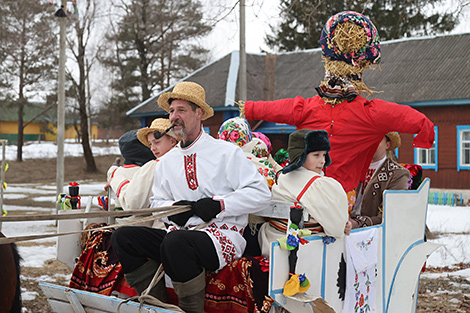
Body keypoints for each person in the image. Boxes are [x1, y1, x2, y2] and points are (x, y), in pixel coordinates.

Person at [111, 81, 271, 313]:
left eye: (181, 110)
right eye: (172, 111)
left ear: (198, 114)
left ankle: (191, 311)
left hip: (222, 236)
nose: (174, 116)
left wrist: (220, 205)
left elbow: (261, 194)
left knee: (175, 243)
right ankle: (157, 305)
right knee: (123, 237)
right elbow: (157, 203)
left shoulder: (226, 153)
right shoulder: (166, 161)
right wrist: (175, 208)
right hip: (178, 236)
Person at [241, 11, 435, 194]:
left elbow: (273, 109)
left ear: (328, 65)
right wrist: (425, 133)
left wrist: (248, 109)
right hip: (340, 196)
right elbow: (413, 119)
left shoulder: (306, 108)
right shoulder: (369, 113)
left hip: (308, 192)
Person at [258, 129, 351, 258]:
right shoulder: (318, 185)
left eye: (324, 155)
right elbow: (338, 228)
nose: (323, 161)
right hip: (303, 252)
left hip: (270, 243)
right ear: (301, 155)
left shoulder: (283, 177)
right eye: (316, 155)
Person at [107, 118, 179, 213]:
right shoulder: (186, 159)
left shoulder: (156, 166)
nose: (152, 148)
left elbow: (132, 204)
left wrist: (116, 180)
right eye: (150, 144)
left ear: (173, 141)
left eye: (157, 142)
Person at [350, 132, 410, 228]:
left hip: (373, 232)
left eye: (376, 140)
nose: (371, 144)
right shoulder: (352, 167)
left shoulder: (398, 174)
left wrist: (358, 223)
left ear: (387, 145)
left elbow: (390, 213)